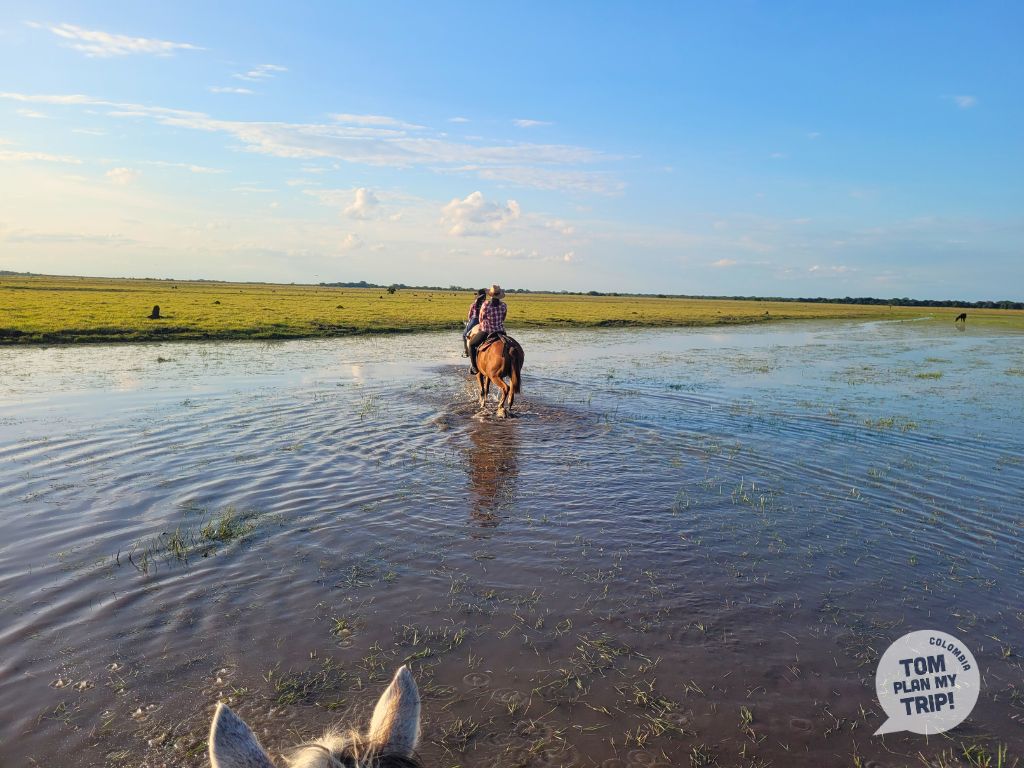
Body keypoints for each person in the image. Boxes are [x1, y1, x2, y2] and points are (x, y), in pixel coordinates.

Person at [467, 284, 507, 374]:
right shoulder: (504, 305)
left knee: (472, 345)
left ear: (491, 294)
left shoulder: (486, 304)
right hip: (501, 331)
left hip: (487, 332)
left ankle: (474, 367)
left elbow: (481, 319)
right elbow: (503, 318)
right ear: (499, 295)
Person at [462, 288, 487, 356]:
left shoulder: (474, 304)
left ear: (478, 295)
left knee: (464, 335)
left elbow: (470, 316)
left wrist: (469, 322)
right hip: (485, 321)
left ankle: (466, 351)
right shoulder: (487, 303)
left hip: (475, 320)